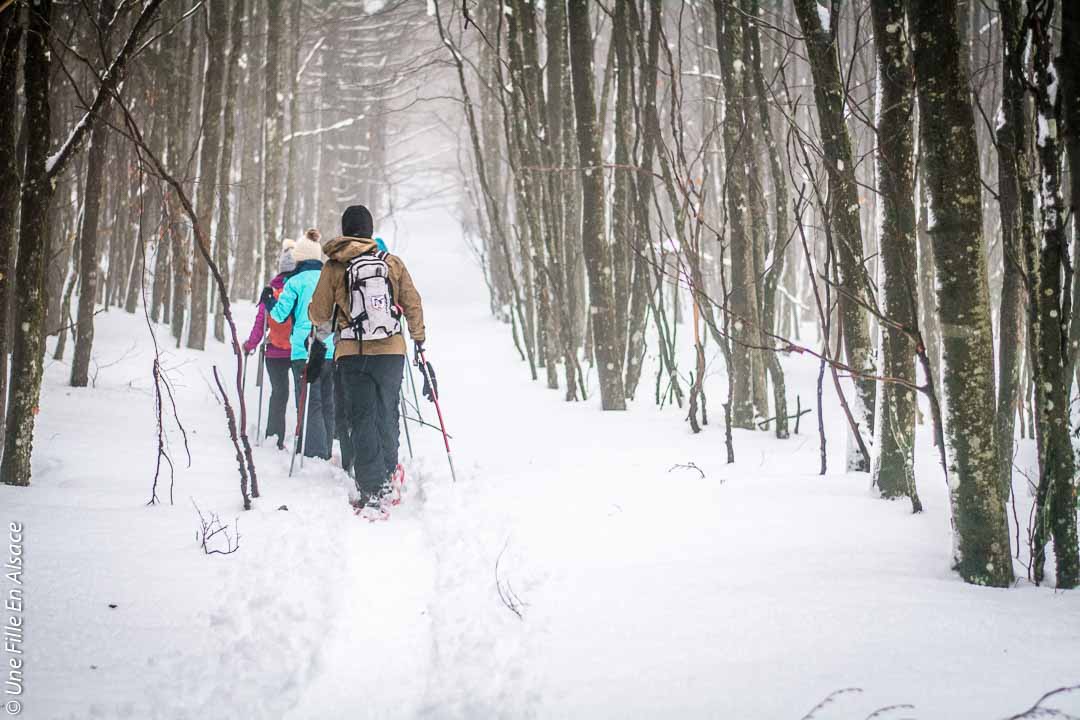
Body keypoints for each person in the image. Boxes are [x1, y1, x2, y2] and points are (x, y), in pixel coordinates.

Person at [309, 205, 426, 514]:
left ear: (345, 229)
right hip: (391, 352)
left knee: (362, 418)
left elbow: (319, 313)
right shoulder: (391, 264)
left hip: (352, 353)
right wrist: (419, 339)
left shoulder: (335, 267)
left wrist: (324, 315)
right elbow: (412, 303)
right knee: (387, 412)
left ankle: (372, 491)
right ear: (371, 230)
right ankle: (390, 476)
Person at [263, 229, 336, 461]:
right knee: (327, 401)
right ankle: (324, 449)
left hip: (303, 350)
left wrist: (268, 299)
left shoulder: (294, 282)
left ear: (300, 258)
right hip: (330, 347)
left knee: (308, 401)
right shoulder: (330, 279)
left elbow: (280, 314)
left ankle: (312, 453)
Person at [243, 240, 297, 450]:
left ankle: (274, 436)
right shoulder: (299, 289)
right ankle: (301, 437)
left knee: (279, 393)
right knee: (300, 395)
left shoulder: (270, 290)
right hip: (297, 351)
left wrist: (250, 344)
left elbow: (260, 322)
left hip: (274, 352)